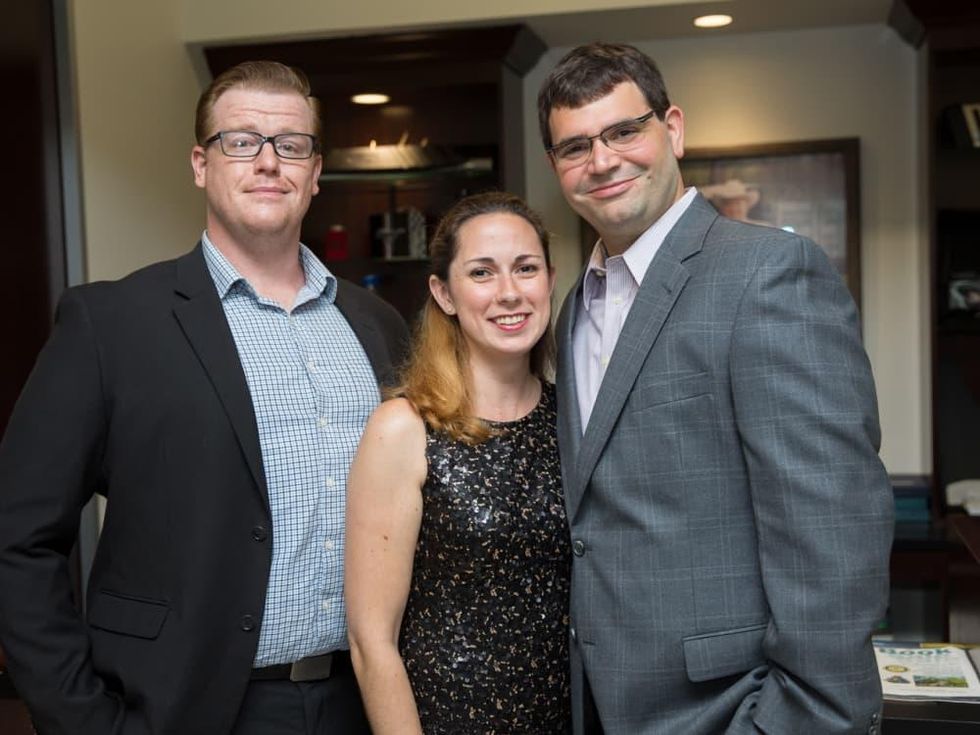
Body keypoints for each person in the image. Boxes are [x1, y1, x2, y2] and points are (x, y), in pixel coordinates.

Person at [0, 61, 408, 734]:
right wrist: (81, 718)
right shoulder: (111, 324)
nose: (268, 162)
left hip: (363, 704)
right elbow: (18, 539)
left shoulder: (378, 325)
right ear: (201, 164)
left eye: (291, 145)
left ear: (315, 172)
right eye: (241, 141)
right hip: (186, 709)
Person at [538, 42, 893, 734]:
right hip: (604, 705)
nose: (602, 161)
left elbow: (833, 534)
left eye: (623, 131)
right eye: (575, 146)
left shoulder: (768, 272)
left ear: (672, 129)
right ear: (556, 167)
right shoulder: (576, 304)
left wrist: (801, 720)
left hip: (732, 708)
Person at [344, 191, 571, 734]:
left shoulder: (574, 421)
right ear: (444, 293)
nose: (509, 292)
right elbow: (371, 642)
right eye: (481, 273)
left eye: (526, 268)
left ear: (549, 280)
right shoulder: (404, 429)